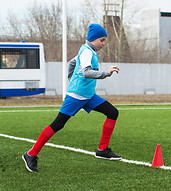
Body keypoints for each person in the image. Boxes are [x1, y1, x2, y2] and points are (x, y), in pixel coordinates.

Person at [22, 23, 122, 172]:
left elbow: (72, 63)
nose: (103, 44)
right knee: (57, 125)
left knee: (112, 112)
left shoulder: (87, 50)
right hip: (76, 97)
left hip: (88, 96)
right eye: (101, 40)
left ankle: (102, 150)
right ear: (93, 39)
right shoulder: (87, 52)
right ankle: (31, 154)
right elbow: (87, 72)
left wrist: (72, 79)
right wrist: (105, 73)